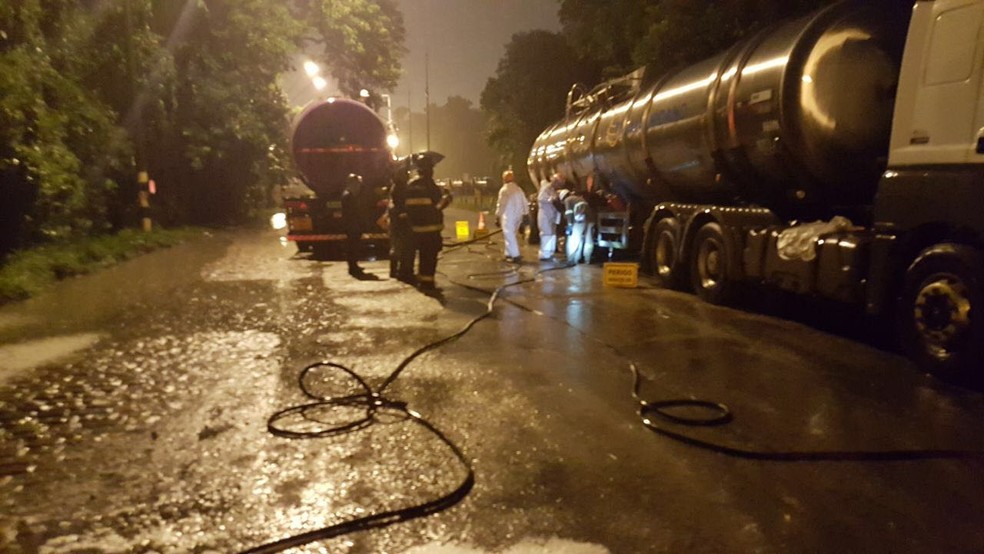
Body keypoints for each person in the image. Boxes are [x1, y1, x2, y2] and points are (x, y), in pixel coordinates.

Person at [404, 152, 452, 291]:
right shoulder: (430, 185)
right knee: (430, 257)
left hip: (416, 228)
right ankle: (428, 284)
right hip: (431, 229)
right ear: (429, 169)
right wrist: (447, 197)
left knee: (423, 256)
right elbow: (438, 205)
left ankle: (422, 282)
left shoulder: (411, 184)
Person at [388, 157, 415, 284]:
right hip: (402, 220)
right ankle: (404, 272)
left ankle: (395, 271)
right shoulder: (401, 188)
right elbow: (403, 203)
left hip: (396, 220)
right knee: (405, 247)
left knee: (396, 246)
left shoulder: (395, 186)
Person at [494, 169, 529, 262]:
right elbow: (525, 202)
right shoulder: (518, 189)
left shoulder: (504, 190)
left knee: (509, 234)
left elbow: (501, 204)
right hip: (518, 215)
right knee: (511, 234)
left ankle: (515, 255)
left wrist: (497, 216)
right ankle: (508, 253)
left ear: (504, 179)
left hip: (508, 215)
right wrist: (526, 213)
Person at [341, 173, 366, 276]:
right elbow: (351, 212)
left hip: (353, 224)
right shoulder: (348, 196)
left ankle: (354, 265)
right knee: (352, 246)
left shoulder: (349, 194)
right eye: (358, 184)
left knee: (354, 246)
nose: (359, 186)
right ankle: (353, 266)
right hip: (352, 225)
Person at [563, 188, 595, 264]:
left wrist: (569, 225)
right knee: (588, 239)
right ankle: (587, 259)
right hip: (590, 218)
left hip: (580, 217)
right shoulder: (578, 198)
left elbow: (569, 212)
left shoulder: (567, 199)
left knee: (574, 238)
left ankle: (571, 259)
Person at [537, 172, 563, 261]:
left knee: (552, 234)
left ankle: (550, 252)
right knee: (546, 233)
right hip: (545, 214)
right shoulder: (546, 188)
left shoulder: (553, 190)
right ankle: (545, 254)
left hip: (551, 215)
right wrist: (551, 199)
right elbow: (541, 198)